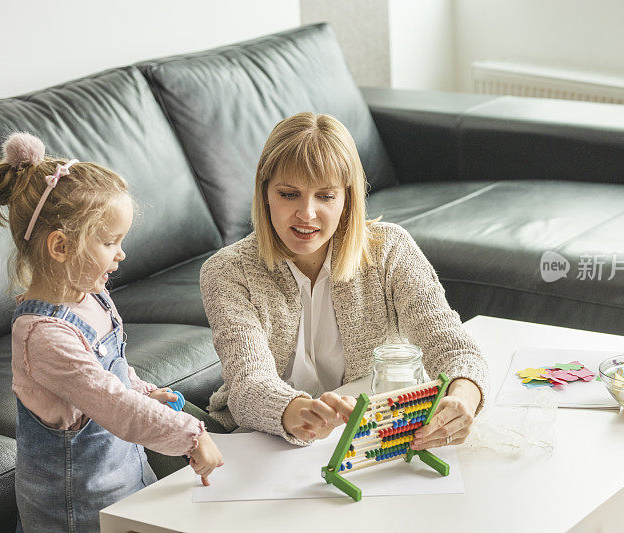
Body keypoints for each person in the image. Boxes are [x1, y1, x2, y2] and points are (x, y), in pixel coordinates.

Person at [0, 133, 224, 533]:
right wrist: (190, 436)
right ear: (60, 246)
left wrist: (144, 392)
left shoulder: (90, 295)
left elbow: (114, 375)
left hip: (125, 478)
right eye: (110, 242)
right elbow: (111, 402)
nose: (121, 253)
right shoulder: (42, 336)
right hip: (77, 509)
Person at [201, 112, 489, 449]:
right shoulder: (227, 271)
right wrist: (301, 413)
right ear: (265, 193)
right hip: (261, 443)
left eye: (325, 196)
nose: (306, 213)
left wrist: (463, 399)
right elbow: (248, 385)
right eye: (289, 194)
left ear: (347, 199)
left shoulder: (390, 249)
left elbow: (452, 345)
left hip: (367, 437)